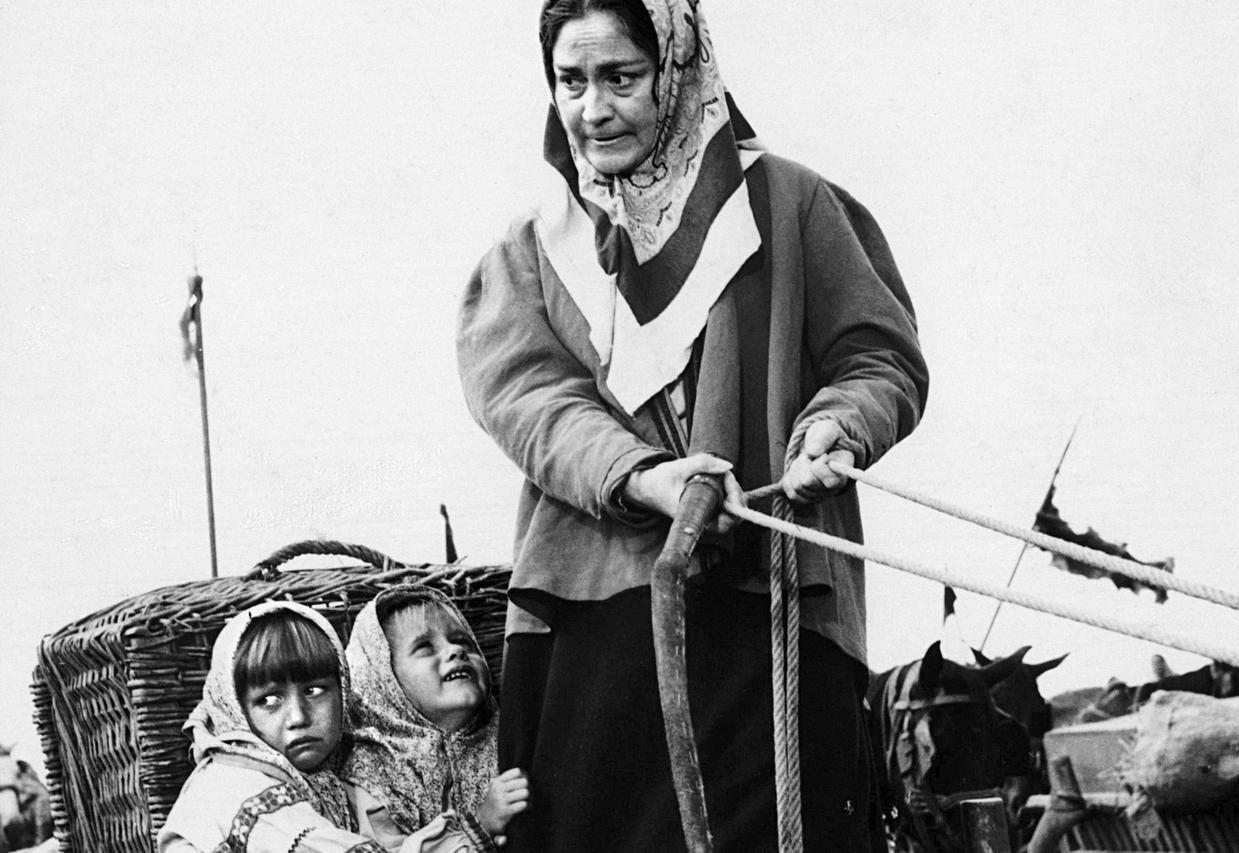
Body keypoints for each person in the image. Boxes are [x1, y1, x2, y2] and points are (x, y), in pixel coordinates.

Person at [456, 1, 928, 849]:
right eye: (571, 81)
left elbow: (878, 358)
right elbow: (529, 400)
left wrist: (837, 427)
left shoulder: (789, 206)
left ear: (675, 69)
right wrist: (642, 476)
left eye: (621, 78)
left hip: (771, 604)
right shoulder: (534, 251)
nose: (593, 109)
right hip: (596, 619)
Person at [158, 600, 441, 852]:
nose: (298, 718)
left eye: (314, 691)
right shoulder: (234, 785)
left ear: (343, 691)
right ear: (235, 710)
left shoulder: (337, 771)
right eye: (269, 700)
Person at [343, 585, 529, 851]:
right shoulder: (373, 771)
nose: (456, 650)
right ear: (384, 679)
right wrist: (480, 827)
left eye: (464, 642)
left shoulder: (509, 740)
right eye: (425, 647)